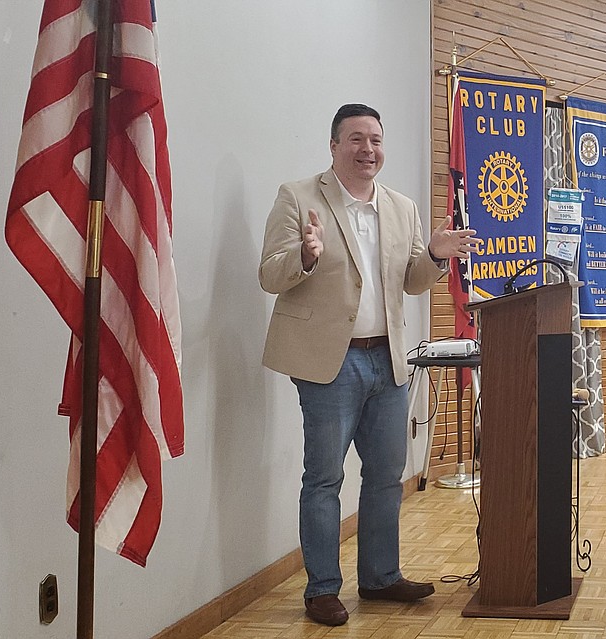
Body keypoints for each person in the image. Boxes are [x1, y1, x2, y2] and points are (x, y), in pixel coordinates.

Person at [258, 103, 480, 627]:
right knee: (324, 478)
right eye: (355, 139)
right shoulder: (298, 197)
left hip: (388, 362)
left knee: (385, 476)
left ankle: (380, 578)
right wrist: (306, 257)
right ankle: (322, 589)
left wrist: (437, 255)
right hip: (329, 366)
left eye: (376, 140)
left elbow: (412, 281)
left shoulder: (401, 207)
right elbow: (270, 274)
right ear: (333, 146)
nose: (367, 149)